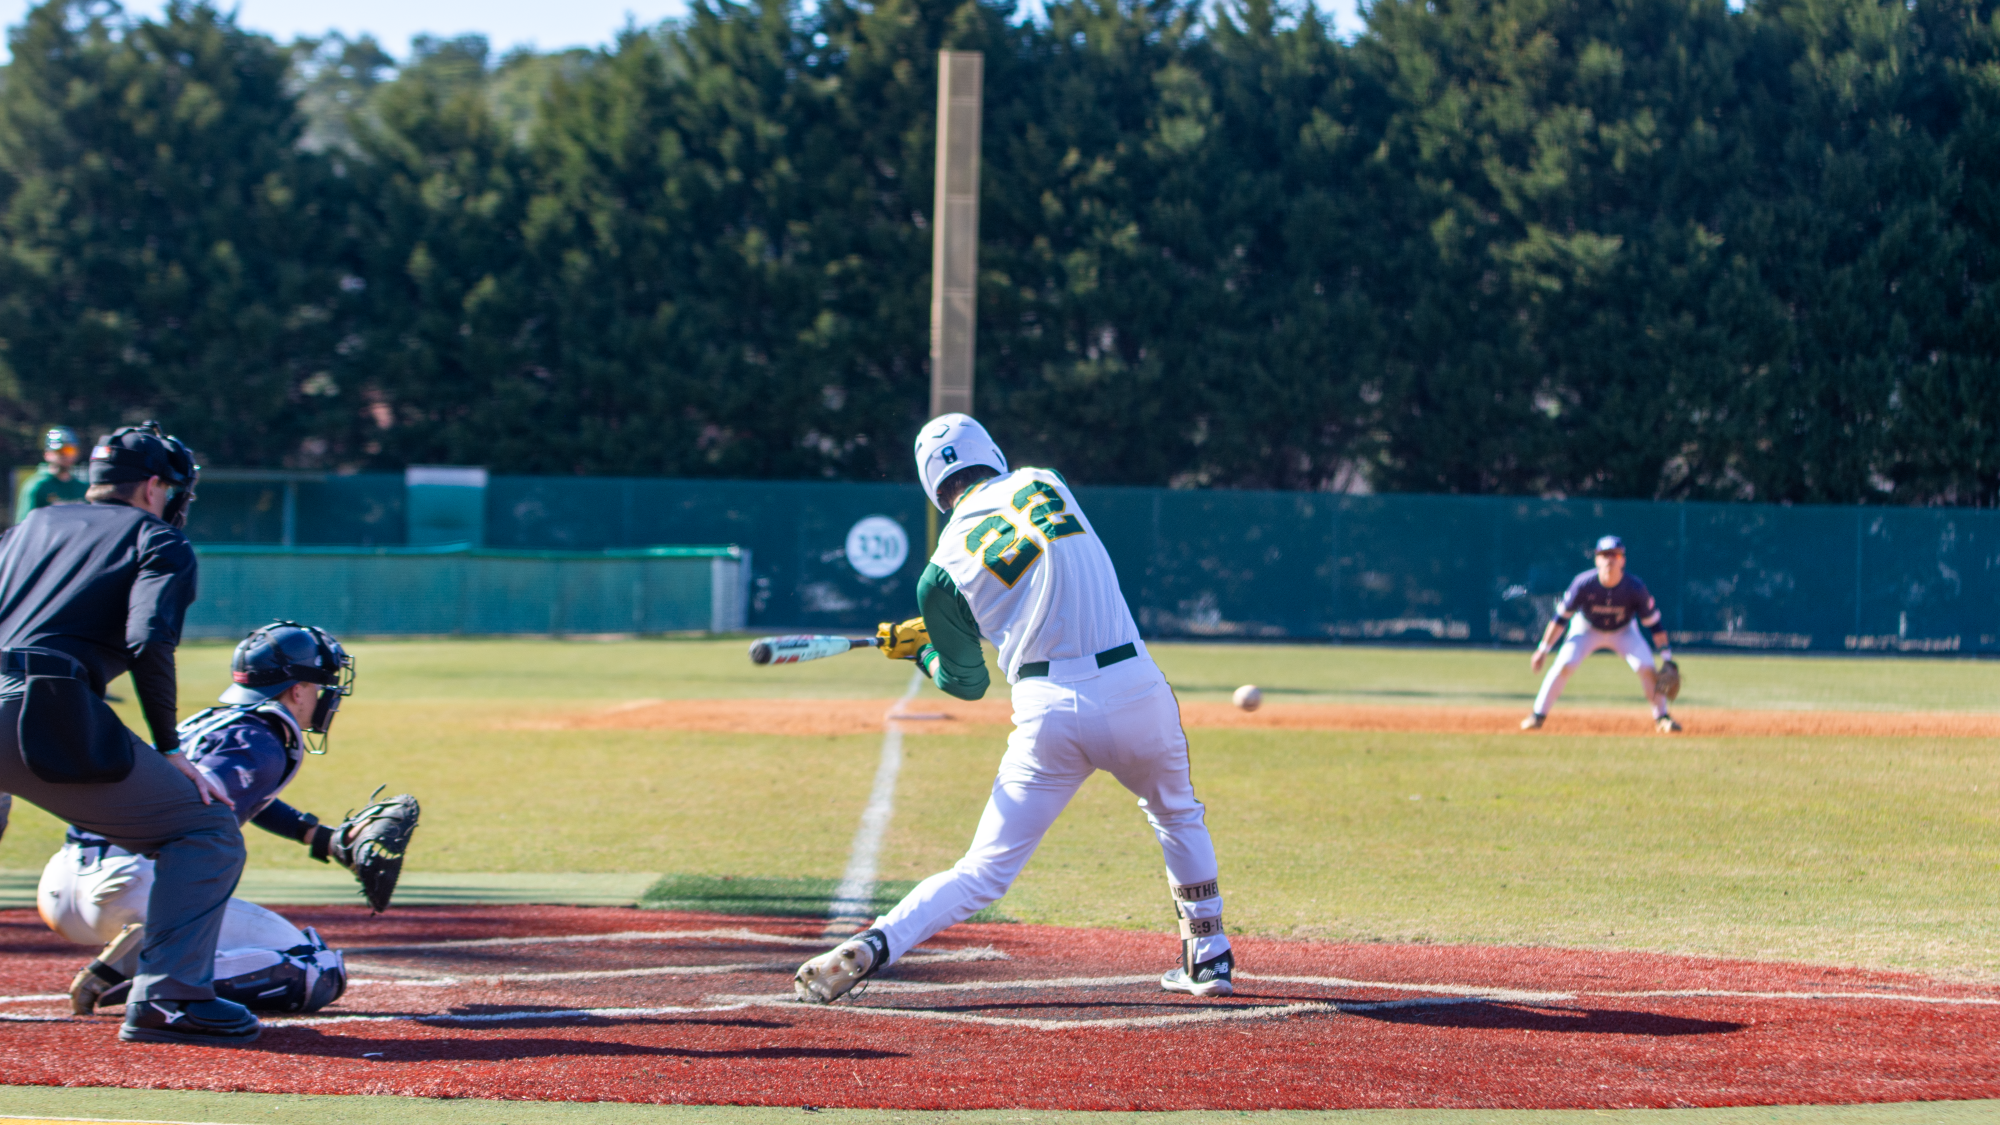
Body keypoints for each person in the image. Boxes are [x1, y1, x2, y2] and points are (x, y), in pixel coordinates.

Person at [793, 414, 1234, 1003]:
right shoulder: (1046, 482)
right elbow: (1044, 573)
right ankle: (1209, 960)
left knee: (983, 871)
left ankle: (875, 943)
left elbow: (966, 681)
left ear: (931, 485)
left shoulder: (936, 575)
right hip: (1133, 687)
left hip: (1048, 710)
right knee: (1177, 816)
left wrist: (922, 652)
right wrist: (937, 635)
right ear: (992, 453)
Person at [0, 421, 261, 1046]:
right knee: (204, 831)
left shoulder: (29, 526)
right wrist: (171, 748)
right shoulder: (158, 539)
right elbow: (149, 639)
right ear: (153, 487)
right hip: (42, 705)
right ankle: (171, 1000)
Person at [45, 621, 416, 1018]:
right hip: (126, 883)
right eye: (320, 685)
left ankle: (137, 958)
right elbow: (194, 810)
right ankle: (153, 980)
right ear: (297, 689)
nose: (326, 696)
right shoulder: (263, 741)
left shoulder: (222, 724)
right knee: (315, 968)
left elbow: (218, 791)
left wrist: (318, 837)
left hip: (67, 880)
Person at [1523, 535, 1681, 733]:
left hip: (1623, 630)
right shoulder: (1583, 583)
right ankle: (1537, 715)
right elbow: (1560, 619)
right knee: (1564, 664)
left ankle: (1662, 718)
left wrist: (1667, 658)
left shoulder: (1635, 587)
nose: (1610, 559)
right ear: (1596, 559)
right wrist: (1543, 649)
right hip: (1586, 628)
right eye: (1605, 555)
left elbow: (1654, 625)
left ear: (1623, 559)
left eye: (1615, 554)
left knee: (1646, 666)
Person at [14, 426, 89, 523]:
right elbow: (24, 525)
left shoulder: (83, 487)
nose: (64, 455)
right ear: (47, 454)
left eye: (69, 450)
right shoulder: (38, 486)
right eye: (59, 451)